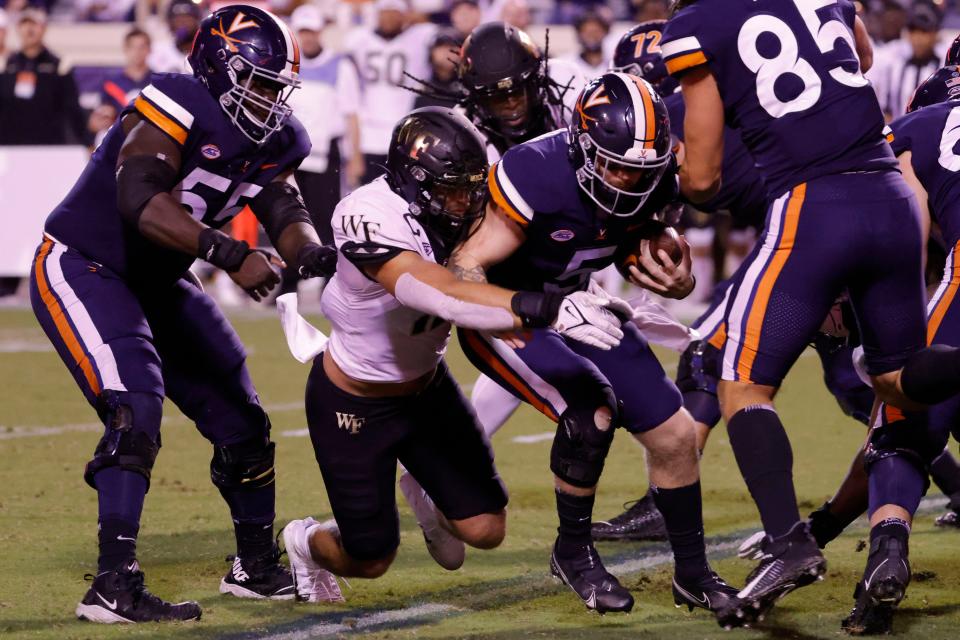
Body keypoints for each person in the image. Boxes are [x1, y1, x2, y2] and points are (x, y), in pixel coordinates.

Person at [28, 6, 338, 624]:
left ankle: (255, 567)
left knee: (242, 417)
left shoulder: (279, 137)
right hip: (86, 264)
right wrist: (229, 254)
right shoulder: (175, 98)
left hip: (160, 278)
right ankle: (113, 584)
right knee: (133, 406)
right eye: (262, 83)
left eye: (280, 88)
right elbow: (138, 198)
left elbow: (281, 199)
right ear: (221, 68)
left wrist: (312, 253)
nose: (273, 101)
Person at [663, 0, 960, 629]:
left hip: (814, 206)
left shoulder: (696, 23)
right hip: (893, 200)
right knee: (897, 381)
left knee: (741, 383)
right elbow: (863, 57)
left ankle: (788, 543)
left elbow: (705, 177)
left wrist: (673, 168)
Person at [280, 107, 630, 602]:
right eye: (452, 189)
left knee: (486, 530)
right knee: (371, 557)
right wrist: (547, 309)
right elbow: (437, 291)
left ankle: (422, 488)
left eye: (472, 187)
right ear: (413, 181)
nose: (466, 201)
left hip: (427, 388)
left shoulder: (462, 211)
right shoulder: (367, 214)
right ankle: (302, 542)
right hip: (353, 400)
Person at [450, 72, 737, 619]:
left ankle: (693, 574)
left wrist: (672, 270)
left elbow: (638, 237)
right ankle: (573, 551)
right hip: (503, 312)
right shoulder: (533, 172)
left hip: (582, 306)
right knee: (592, 412)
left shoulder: (655, 178)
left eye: (642, 171)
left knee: (676, 434)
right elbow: (464, 272)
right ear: (581, 145)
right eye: (617, 165)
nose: (629, 180)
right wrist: (540, 307)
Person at [287, 3, 364, 245]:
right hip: (293, 153)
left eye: (312, 31)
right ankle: (293, 276)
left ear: (320, 32)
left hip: (326, 154)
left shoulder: (340, 66)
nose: (308, 37)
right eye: (304, 32)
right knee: (292, 215)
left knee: (325, 215)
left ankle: (327, 273)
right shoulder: (288, 67)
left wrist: (355, 157)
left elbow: (351, 113)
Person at [343, 0, 436, 183]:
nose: (389, 17)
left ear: (404, 15)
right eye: (385, 12)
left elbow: (442, 37)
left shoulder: (419, 37)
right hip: (368, 135)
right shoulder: (360, 39)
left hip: (406, 136)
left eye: (394, 12)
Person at [0, 8, 87, 145]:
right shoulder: (7, 65)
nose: (29, 29)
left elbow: (72, 108)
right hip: (11, 145)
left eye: (34, 24)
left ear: (44, 28)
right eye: (24, 24)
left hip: (48, 145)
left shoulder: (59, 66)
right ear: (18, 29)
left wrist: (86, 142)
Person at [868, 0, 942, 120]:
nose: (918, 38)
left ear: (935, 34)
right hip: (900, 135)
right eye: (913, 31)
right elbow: (887, 112)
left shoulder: (943, 69)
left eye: (924, 31)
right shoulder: (896, 68)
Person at [89, 28, 155, 142]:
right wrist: (102, 119)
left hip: (151, 136)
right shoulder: (111, 84)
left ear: (149, 50)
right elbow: (96, 122)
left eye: (142, 47)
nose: (137, 52)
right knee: (101, 137)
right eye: (132, 47)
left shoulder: (158, 83)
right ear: (125, 49)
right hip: (120, 136)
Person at [413, 29, 462, 110]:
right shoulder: (423, 89)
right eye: (442, 47)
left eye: (453, 46)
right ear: (431, 53)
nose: (448, 51)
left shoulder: (469, 89)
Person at [559, 10, 611, 82]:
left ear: (605, 32)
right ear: (579, 34)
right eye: (587, 32)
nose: (592, 36)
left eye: (596, 31)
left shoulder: (615, 64)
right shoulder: (567, 64)